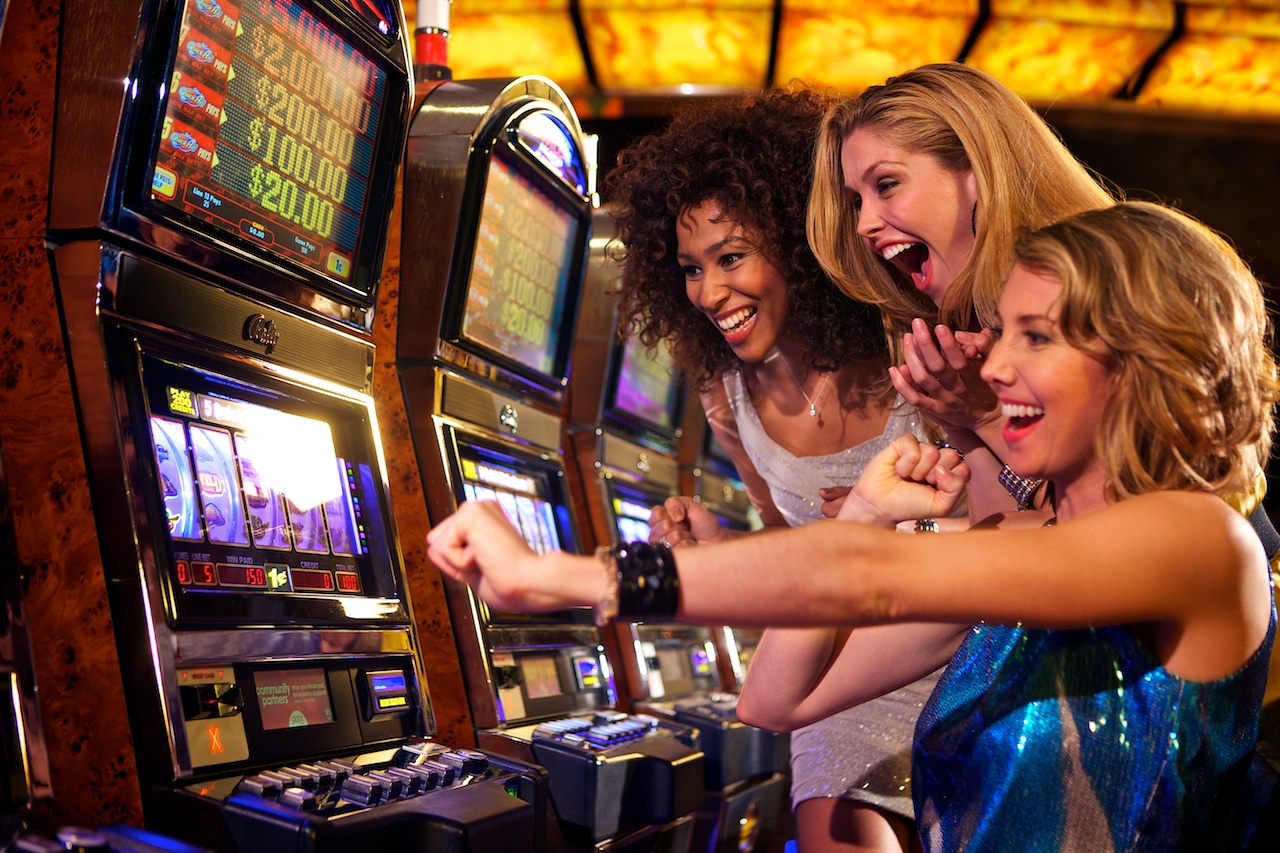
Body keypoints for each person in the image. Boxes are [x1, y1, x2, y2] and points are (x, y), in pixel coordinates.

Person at [427, 201, 1279, 850]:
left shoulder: (1200, 543)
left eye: (1038, 335)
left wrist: (579, 576)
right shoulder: (1018, 541)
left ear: (1144, 355)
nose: (999, 362)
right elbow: (777, 697)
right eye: (1003, 331)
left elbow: (866, 574)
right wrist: (870, 512)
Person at [605, 87, 934, 852]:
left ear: (793, 242)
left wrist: (905, 513)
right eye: (690, 268)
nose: (710, 293)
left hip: (951, 643)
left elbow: (1010, 505)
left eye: (731, 257)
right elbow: (794, 549)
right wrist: (722, 545)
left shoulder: (901, 333)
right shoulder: (726, 397)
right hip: (840, 677)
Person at [805, 62, 1118, 520]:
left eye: (886, 185)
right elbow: (1000, 532)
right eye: (857, 201)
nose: (863, 224)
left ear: (978, 172)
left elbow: (1097, 530)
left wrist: (986, 417)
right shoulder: (971, 334)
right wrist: (962, 423)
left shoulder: (1098, 289)